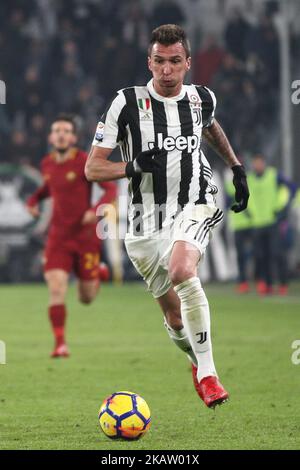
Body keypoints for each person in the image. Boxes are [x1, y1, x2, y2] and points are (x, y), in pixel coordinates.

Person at [85, 25, 249, 409]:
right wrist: (133, 166)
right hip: (144, 224)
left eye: (175, 62)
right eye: (159, 61)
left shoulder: (201, 98)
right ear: (150, 62)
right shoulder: (125, 104)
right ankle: (196, 361)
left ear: (188, 64)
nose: (167, 70)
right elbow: (93, 169)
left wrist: (236, 167)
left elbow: (210, 127)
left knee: (181, 270)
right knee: (175, 320)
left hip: (195, 201)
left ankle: (209, 374)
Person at [27, 114, 117, 358]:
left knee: (86, 298)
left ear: (74, 137)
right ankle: (60, 344)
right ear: (50, 136)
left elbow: (110, 188)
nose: (61, 134)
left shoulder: (84, 162)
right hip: (58, 237)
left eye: (66, 131)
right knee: (56, 289)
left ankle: (98, 273)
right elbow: (48, 188)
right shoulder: (47, 163)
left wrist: (95, 211)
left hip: (85, 237)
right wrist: (34, 200)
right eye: (57, 130)